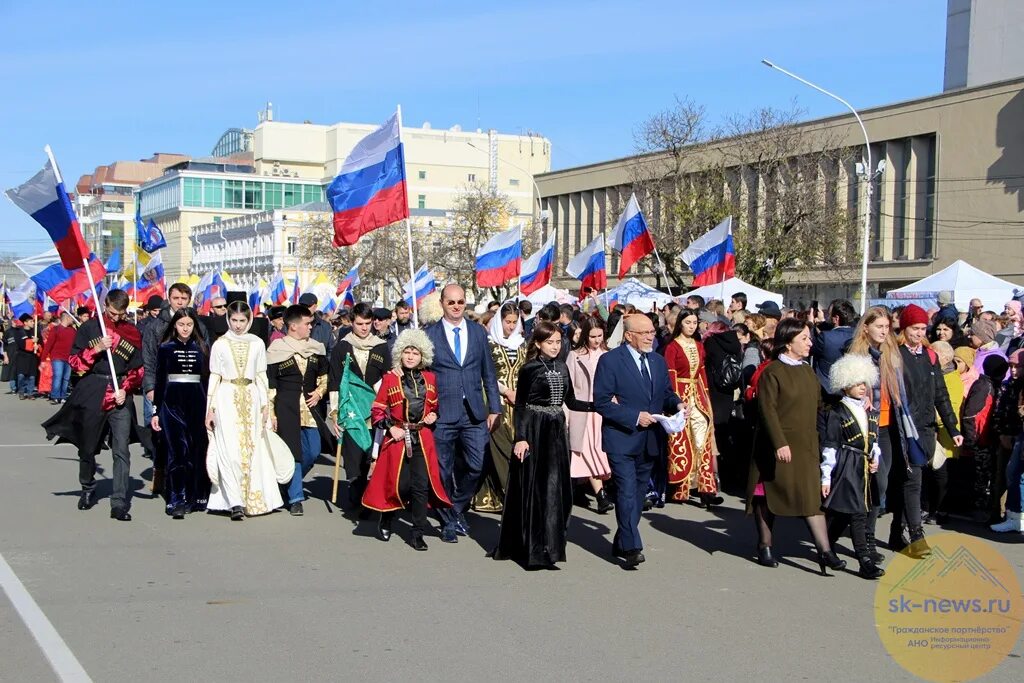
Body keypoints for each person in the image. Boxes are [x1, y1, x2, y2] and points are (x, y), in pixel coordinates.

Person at [491, 322, 595, 569]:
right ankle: (534, 549)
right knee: (536, 488)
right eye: (550, 342)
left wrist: (597, 405)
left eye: (558, 342)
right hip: (535, 431)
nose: (555, 346)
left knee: (556, 489)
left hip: (557, 431)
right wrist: (522, 438)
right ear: (538, 343)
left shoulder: (562, 367)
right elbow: (522, 405)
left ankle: (552, 546)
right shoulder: (530, 369)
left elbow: (570, 400)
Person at [747, 318, 846, 574]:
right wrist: (780, 442)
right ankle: (765, 545)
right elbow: (766, 410)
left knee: (811, 500)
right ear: (788, 342)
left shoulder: (807, 370)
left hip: (805, 447)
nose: (810, 343)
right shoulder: (772, 371)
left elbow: (821, 403)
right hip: (776, 447)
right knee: (768, 498)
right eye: (804, 338)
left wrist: (849, 400)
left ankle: (825, 552)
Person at [42, 290, 144, 521]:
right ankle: (87, 487)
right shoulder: (90, 328)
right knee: (87, 446)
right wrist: (96, 349)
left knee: (122, 449)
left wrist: (125, 388)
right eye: (112, 312)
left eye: (120, 314)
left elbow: (139, 369)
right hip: (93, 389)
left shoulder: (131, 332)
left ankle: (119, 501)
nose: (116, 318)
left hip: (119, 393)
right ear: (105, 305)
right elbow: (75, 362)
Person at [594, 314, 685, 569]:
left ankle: (623, 538)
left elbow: (665, 393)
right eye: (644, 333)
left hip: (651, 439)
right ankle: (633, 547)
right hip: (622, 438)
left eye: (652, 332)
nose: (650, 337)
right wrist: (634, 417)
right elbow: (601, 402)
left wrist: (677, 404)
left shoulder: (656, 361)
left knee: (637, 492)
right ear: (628, 335)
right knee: (625, 490)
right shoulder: (610, 361)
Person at [424, 284, 502, 544]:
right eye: (451, 303)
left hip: (474, 413)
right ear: (442, 304)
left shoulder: (478, 332)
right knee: (443, 470)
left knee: (476, 465)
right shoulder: (430, 334)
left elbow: (488, 373)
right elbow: (423, 377)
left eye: (460, 302)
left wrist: (494, 407)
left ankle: (455, 509)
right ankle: (448, 522)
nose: (456, 307)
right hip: (443, 413)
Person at [362, 329, 451, 550]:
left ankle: (417, 532)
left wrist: (434, 415)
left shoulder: (430, 378)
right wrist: (390, 428)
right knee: (399, 484)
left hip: (422, 437)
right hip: (398, 439)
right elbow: (377, 411)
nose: (411, 356)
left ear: (423, 356)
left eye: (415, 353)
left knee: (420, 486)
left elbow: (435, 406)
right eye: (407, 352)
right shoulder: (390, 379)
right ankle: (388, 517)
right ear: (400, 353)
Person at [205, 302, 294, 519]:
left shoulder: (257, 343)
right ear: (228, 320)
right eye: (234, 320)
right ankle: (234, 501)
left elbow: (262, 376)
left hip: (252, 398)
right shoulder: (220, 344)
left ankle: (254, 499)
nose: (237, 325)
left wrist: (267, 407)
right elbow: (214, 376)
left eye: (242, 320)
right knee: (230, 449)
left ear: (249, 320)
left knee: (254, 448)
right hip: (226, 397)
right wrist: (210, 408)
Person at [888, 305, 961, 557]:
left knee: (905, 483)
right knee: (912, 482)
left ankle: (895, 533)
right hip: (905, 430)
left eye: (922, 328)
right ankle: (916, 536)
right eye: (914, 328)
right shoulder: (895, 355)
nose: (919, 333)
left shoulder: (930, 357)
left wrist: (953, 428)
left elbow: (941, 394)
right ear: (904, 328)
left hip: (927, 428)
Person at [820, 355, 885, 580]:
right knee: (858, 512)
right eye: (856, 384)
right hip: (846, 465)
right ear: (844, 385)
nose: (862, 388)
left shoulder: (869, 411)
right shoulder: (837, 412)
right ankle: (865, 561)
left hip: (864, 466)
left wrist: (875, 456)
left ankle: (825, 547)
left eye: (863, 383)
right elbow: (830, 446)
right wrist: (826, 477)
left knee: (842, 514)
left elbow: (873, 440)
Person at [144, 282, 208, 490]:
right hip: (166, 388)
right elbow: (150, 360)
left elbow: (205, 355)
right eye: (176, 298)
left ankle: (188, 480)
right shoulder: (156, 325)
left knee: (190, 436)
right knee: (162, 434)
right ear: (168, 299)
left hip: (192, 389)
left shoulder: (197, 324)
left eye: (184, 299)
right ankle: (160, 469)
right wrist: (151, 387)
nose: (180, 302)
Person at [267, 304, 329, 516]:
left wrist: (320, 392)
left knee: (313, 450)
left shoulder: (316, 348)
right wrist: (272, 413)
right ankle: (295, 498)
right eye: (307, 324)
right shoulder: (276, 350)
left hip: (310, 409)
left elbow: (324, 376)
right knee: (293, 452)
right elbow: (271, 383)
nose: (311, 327)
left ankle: (284, 482)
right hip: (286, 406)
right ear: (293, 326)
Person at [328, 302, 391, 509]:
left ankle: (369, 496)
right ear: (352, 323)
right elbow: (335, 381)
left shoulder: (381, 346)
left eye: (367, 323)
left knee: (371, 455)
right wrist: (335, 413)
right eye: (359, 323)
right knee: (354, 457)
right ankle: (356, 496)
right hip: (351, 409)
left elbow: (387, 378)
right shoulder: (342, 348)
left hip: (375, 410)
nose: (364, 328)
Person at [150, 309, 211, 518]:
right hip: (172, 403)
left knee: (196, 449)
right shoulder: (165, 348)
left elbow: (207, 380)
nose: (185, 329)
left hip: (197, 402)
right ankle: (176, 498)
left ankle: (195, 496)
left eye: (189, 325)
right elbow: (159, 381)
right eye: (181, 324)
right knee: (177, 451)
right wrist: (156, 411)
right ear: (175, 325)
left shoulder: (201, 348)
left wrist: (210, 408)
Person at [473, 302, 526, 513]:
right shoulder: (489, 343)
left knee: (517, 448)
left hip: (519, 404)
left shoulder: (522, 343)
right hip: (498, 401)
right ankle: (511, 495)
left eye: (514, 322)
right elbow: (485, 374)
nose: (511, 326)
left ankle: (509, 494)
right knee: (501, 449)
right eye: (507, 322)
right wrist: (506, 391)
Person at [663, 309, 717, 506]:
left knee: (702, 439)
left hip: (698, 397)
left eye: (694, 322)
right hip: (681, 396)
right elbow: (670, 376)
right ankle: (680, 488)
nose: (692, 326)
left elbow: (702, 374)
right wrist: (676, 400)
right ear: (680, 323)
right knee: (682, 440)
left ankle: (706, 488)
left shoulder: (699, 345)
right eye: (688, 322)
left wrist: (706, 398)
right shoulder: (672, 347)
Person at [566, 316, 614, 514]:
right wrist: (567, 415)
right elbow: (568, 389)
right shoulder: (574, 356)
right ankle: (600, 494)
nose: (596, 340)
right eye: (592, 336)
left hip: (605, 411)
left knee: (603, 452)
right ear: (585, 335)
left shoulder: (609, 355)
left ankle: (597, 489)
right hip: (582, 411)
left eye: (599, 336)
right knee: (586, 452)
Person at [962, 355, 1009, 524]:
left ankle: (983, 508)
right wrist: (970, 440)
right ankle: (977, 510)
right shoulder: (984, 386)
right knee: (980, 478)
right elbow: (971, 415)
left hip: (987, 439)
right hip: (979, 440)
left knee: (986, 476)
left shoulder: (992, 385)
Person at [924, 341, 964, 525]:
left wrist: (931, 418)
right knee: (934, 475)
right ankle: (931, 509)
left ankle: (938, 511)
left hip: (945, 436)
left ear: (945, 357)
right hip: (937, 433)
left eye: (933, 352)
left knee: (942, 476)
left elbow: (950, 409)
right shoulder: (937, 374)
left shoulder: (952, 380)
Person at [812, 299, 857, 392]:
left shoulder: (825, 337)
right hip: (852, 390)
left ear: (836, 319)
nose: (827, 317)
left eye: (828, 315)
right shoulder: (858, 335)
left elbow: (808, 349)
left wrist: (810, 325)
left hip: (827, 391)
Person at [41, 312, 75, 404]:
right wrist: (43, 360)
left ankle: (63, 396)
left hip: (69, 358)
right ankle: (55, 396)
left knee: (66, 378)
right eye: (72, 318)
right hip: (57, 357)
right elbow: (48, 345)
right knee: (58, 376)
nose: (73, 320)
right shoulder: (55, 329)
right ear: (67, 318)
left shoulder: (72, 331)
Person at [14, 314, 39, 399]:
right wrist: (32, 342)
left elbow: (41, 343)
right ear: (25, 323)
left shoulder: (35, 331)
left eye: (33, 321)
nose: (33, 323)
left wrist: (38, 346)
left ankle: (30, 393)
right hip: (22, 357)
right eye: (31, 321)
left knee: (32, 376)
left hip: (32, 357)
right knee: (21, 375)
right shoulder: (19, 332)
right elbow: (21, 344)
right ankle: (21, 391)